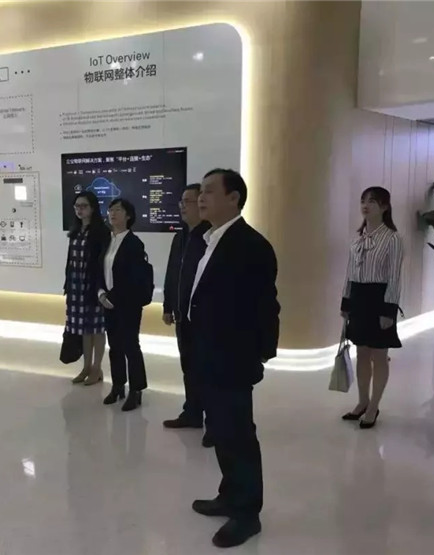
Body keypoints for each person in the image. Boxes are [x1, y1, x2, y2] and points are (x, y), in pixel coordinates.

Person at [189, 168, 279, 548]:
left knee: (239, 436)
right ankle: (229, 495)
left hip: (233, 359)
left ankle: (247, 514)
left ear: (234, 198)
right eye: (201, 191)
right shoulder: (209, 239)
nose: (201, 197)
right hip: (210, 354)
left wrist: (257, 356)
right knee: (222, 433)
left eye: (210, 191)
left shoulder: (251, 245)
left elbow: (266, 307)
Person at [340, 186, 403, 429]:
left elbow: (395, 278)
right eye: (363, 201)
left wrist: (389, 311)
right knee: (362, 352)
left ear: (384, 207)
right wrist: (345, 302)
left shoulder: (393, 239)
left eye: (372, 202)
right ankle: (362, 401)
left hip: (379, 299)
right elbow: (349, 273)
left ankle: (374, 406)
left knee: (379, 355)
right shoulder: (358, 239)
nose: (366, 205)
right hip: (358, 298)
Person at [161, 184, 213, 447]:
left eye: (188, 201)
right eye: (181, 201)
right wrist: (168, 305)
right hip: (182, 316)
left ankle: (214, 424)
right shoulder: (180, 236)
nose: (182, 206)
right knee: (189, 367)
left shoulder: (210, 237)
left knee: (207, 370)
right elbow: (172, 273)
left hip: (204, 319)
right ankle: (192, 413)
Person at [98, 198, 149, 412]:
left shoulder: (134, 243)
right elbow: (99, 270)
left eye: (118, 210)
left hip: (128, 303)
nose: (112, 213)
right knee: (115, 346)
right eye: (110, 210)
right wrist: (101, 293)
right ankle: (118, 385)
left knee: (130, 346)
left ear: (128, 215)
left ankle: (136, 390)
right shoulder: (107, 241)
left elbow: (132, 278)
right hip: (107, 302)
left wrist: (113, 297)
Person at [64, 191, 111, 385]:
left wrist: (100, 288)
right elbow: (70, 260)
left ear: (92, 208)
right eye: (77, 206)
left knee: (97, 329)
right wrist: (68, 284)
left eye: (83, 206)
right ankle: (86, 367)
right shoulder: (76, 230)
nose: (79, 210)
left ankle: (97, 368)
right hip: (76, 284)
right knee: (83, 328)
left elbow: (102, 263)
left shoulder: (101, 231)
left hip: (92, 285)